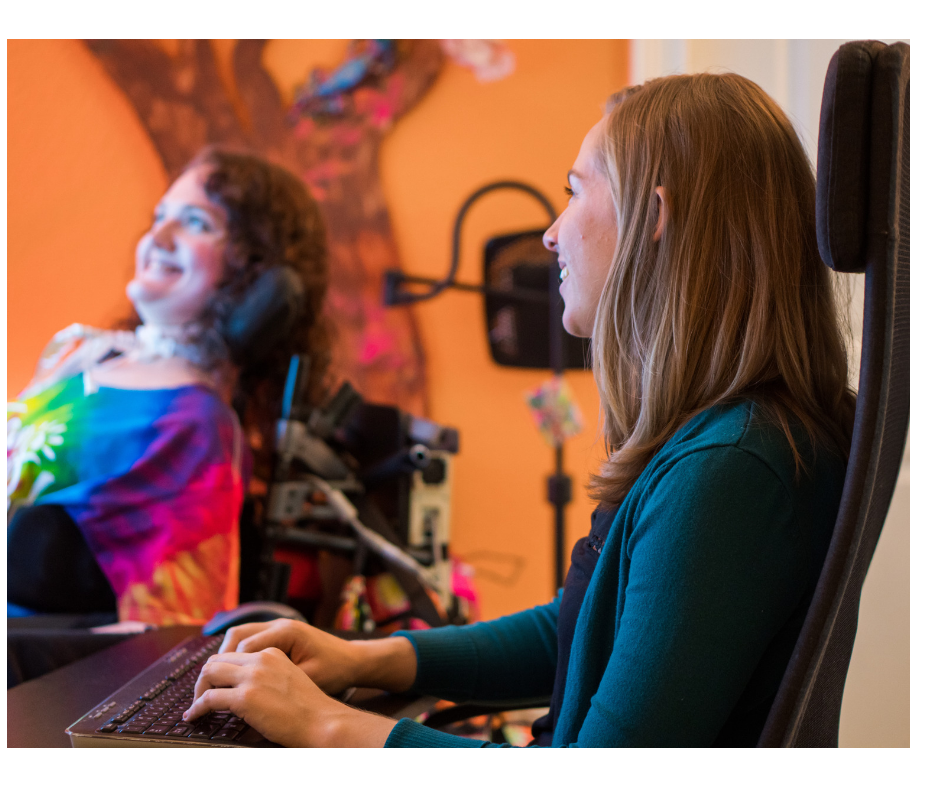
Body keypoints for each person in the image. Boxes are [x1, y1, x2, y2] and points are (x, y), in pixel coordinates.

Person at [183, 72, 856, 747]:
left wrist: (324, 724)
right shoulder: (732, 441)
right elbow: (585, 623)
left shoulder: (727, 469)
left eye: (573, 191)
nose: (551, 235)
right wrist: (368, 657)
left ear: (652, 216)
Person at [7, 148, 330, 627]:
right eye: (159, 216)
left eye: (196, 222)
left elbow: (168, 634)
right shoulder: (78, 351)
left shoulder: (197, 424)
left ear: (259, 275)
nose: (157, 236)